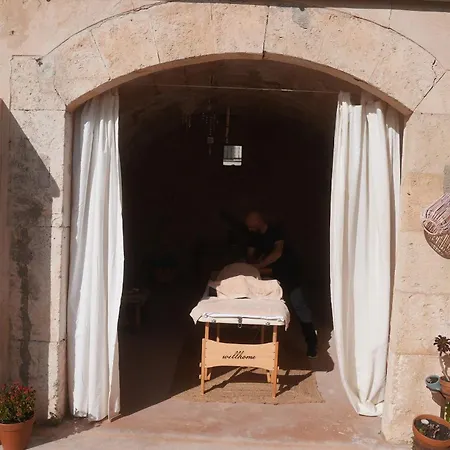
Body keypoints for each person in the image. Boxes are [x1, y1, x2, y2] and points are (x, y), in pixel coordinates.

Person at [245, 211, 318, 359]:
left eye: (250, 224)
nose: (249, 228)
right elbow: (250, 254)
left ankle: (312, 341)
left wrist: (260, 265)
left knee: (298, 304)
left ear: (257, 220)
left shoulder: (276, 231)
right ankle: (263, 343)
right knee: (263, 303)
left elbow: (277, 253)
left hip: (288, 272)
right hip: (270, 273)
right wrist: (251, 263)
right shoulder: (255, 236)